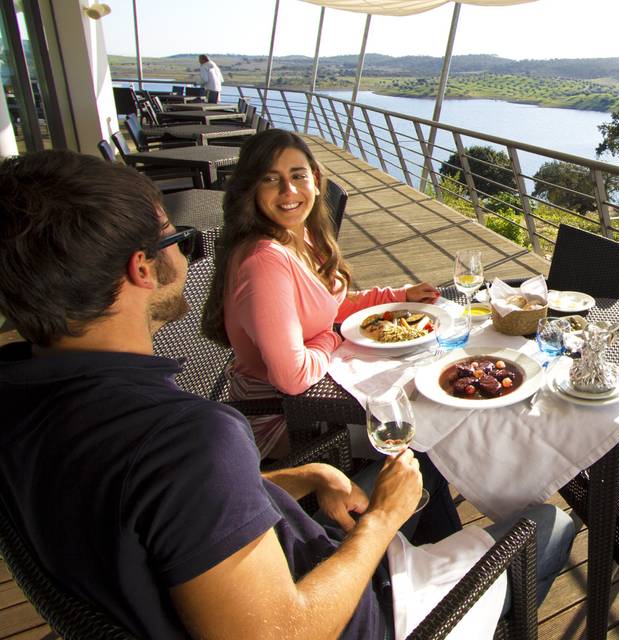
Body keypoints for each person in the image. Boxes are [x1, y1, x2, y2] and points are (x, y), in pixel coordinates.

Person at [0, 150, 575, 639]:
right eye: (177, 239)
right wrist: (382, 522)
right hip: (362, 612)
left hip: (274, 556)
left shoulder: (25, 410)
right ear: (142, 269)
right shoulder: (187, 437)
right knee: (547, 525)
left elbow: (164, 516)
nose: (188, 253)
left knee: (407, 477)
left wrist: (294, 478)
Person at [202, 129, 439, 460]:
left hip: (321, 394)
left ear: (314, 179)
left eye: (297, 175)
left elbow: (329, 303)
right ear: (252, 188)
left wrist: (399, 295)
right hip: (287, 422)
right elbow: (293, 377)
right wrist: (331, 338)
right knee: (423, 441)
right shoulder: (264, 262)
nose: (289, 190)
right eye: (271, 179)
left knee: (424, 414)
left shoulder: (298, 236)